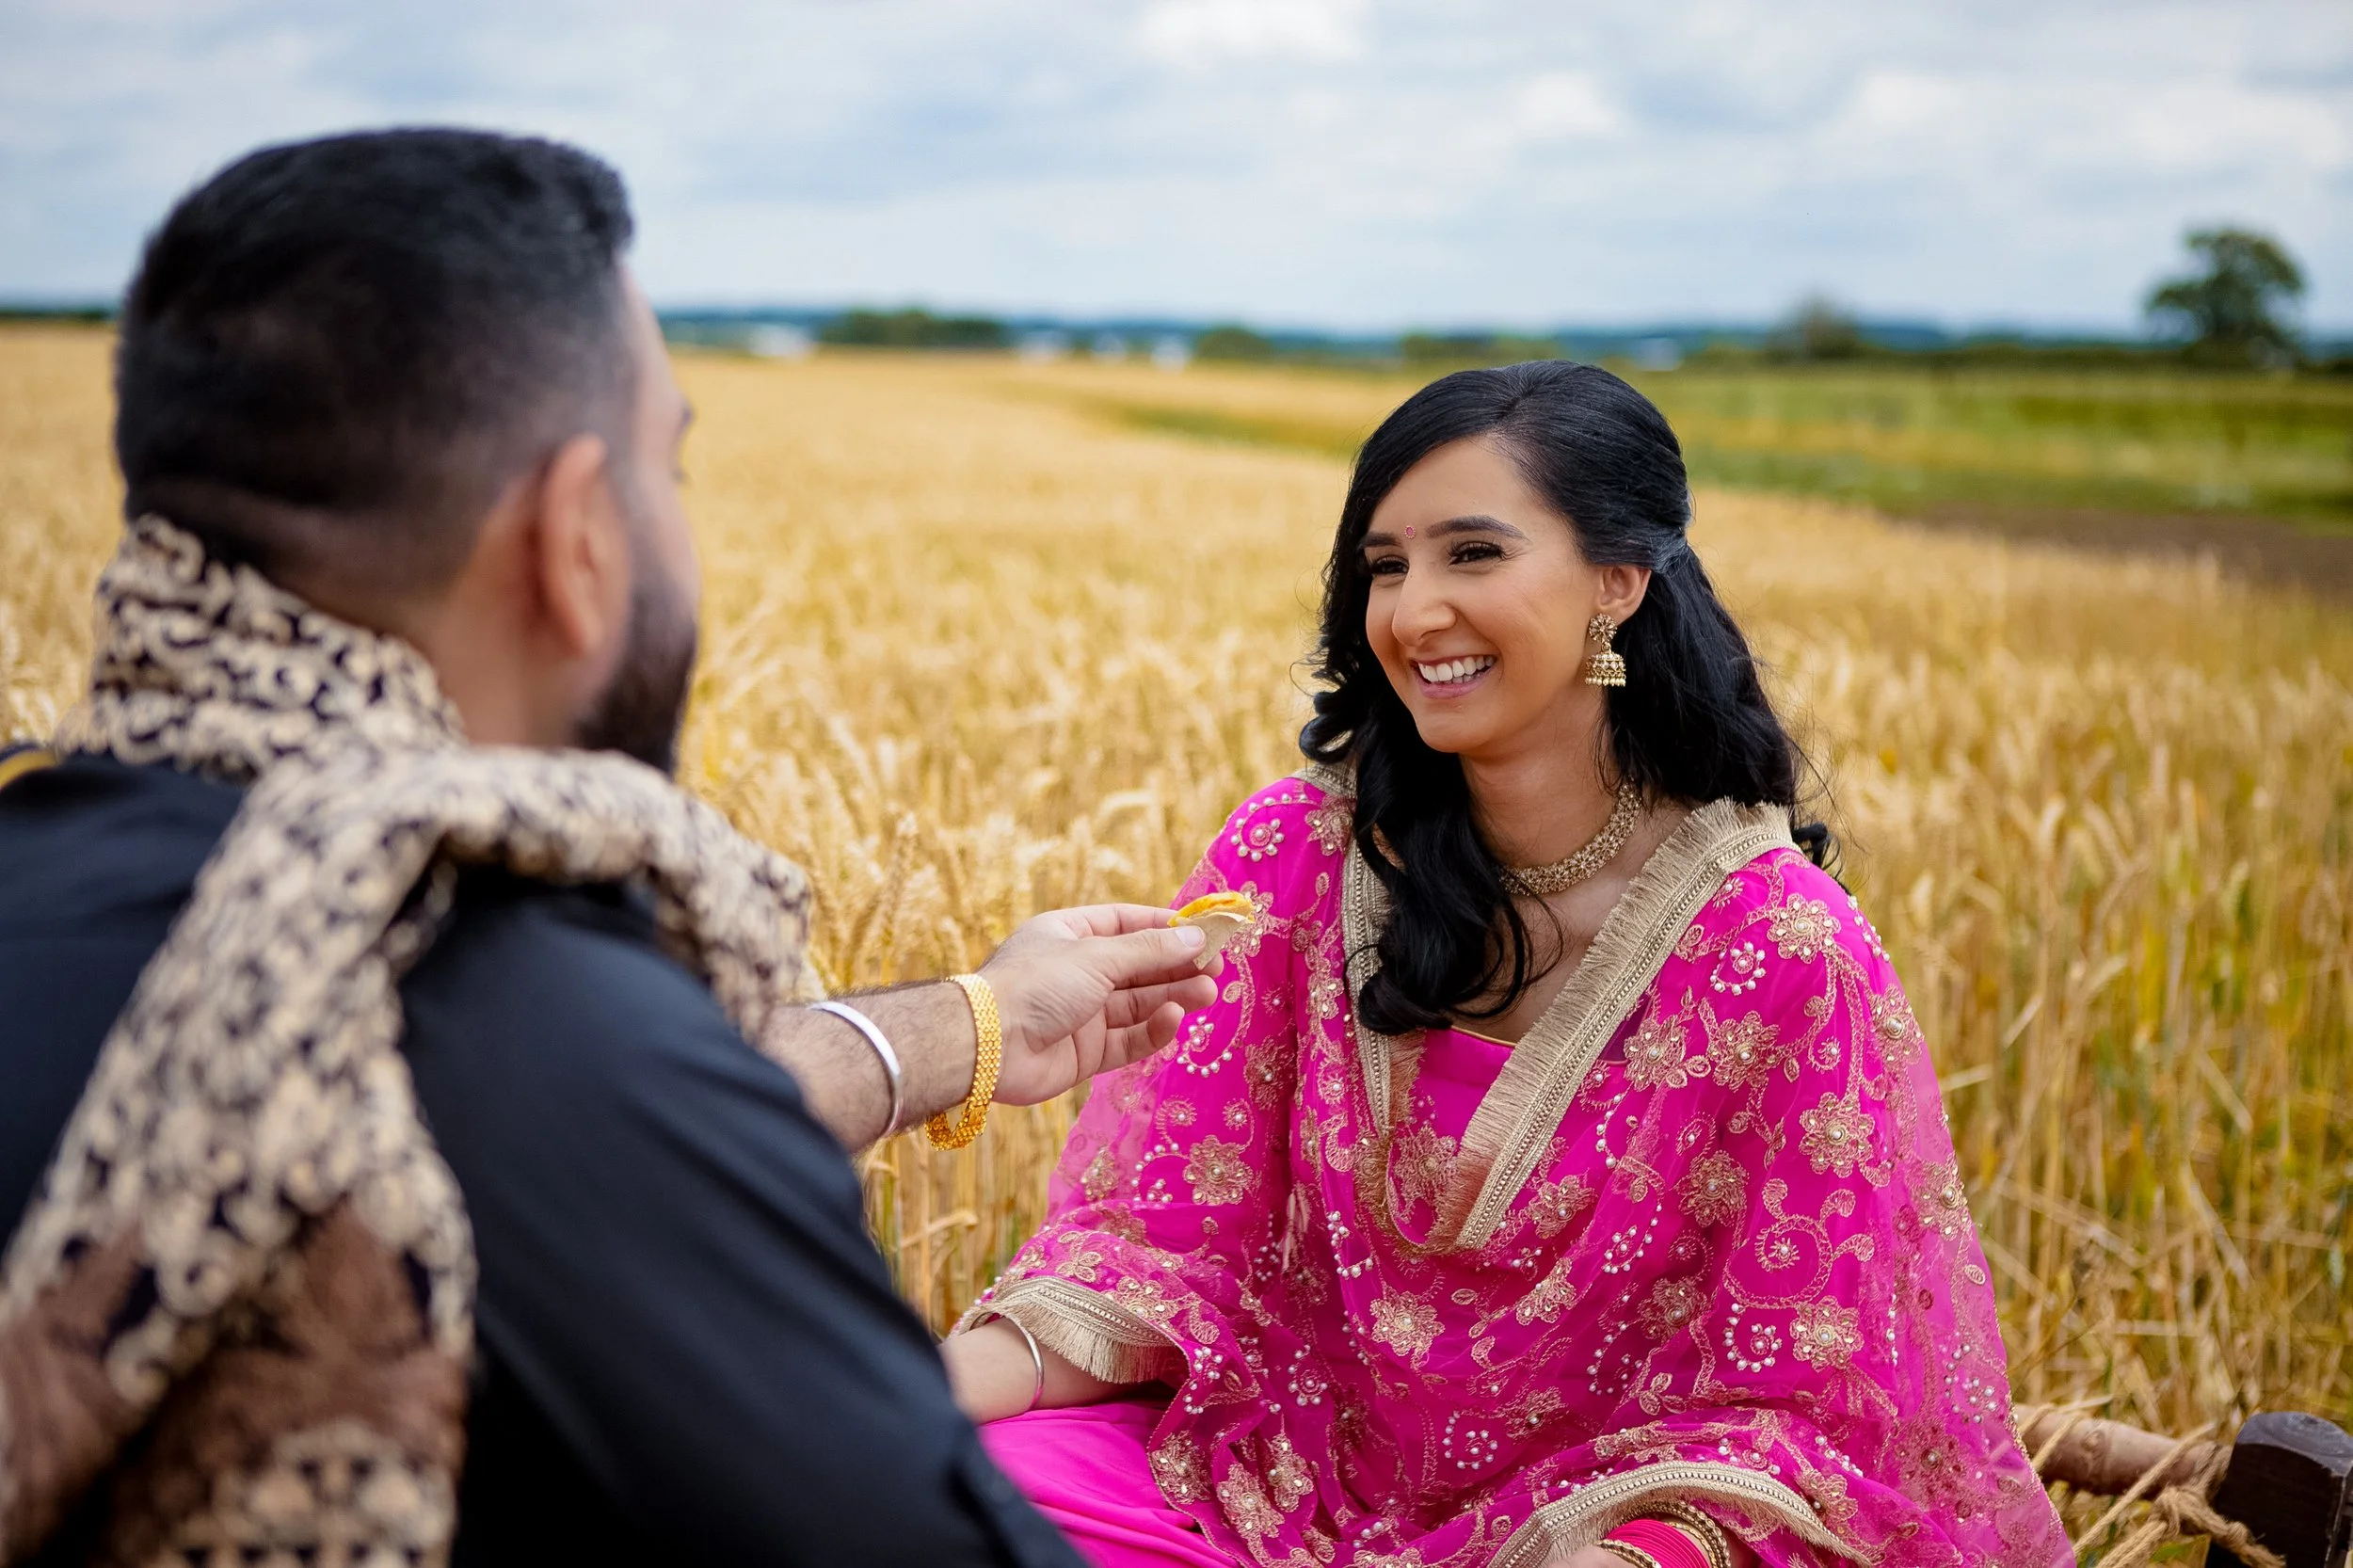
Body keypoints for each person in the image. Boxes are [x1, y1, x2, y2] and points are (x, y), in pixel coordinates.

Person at [0, 129, 1218, 1567]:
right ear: (576, 536)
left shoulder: (46, 856)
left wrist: (967, 1023)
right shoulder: (553, 1051)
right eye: (670, 472)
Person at [940, 363, 2074, 1568]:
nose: (1413, 611)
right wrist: (921, 1384)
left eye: (1471, 554)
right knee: (949, 1488)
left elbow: (1804, 1410)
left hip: (1595, 1536)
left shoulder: (1777, 951)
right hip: (1260, 1481)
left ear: (1616, 581)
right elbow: (1164, 1251)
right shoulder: (1299, 856)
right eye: (1385, 566)